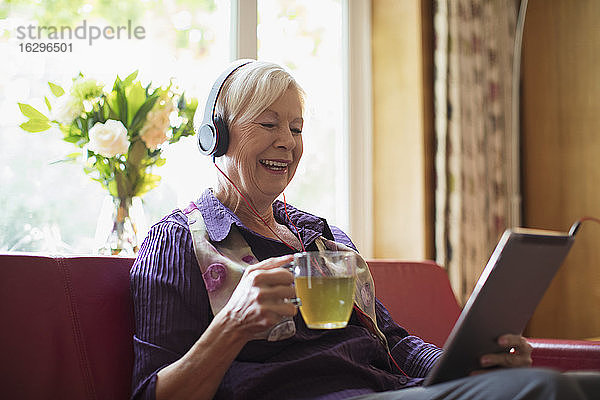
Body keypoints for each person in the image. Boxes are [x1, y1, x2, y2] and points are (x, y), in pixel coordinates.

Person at [130, 60, 599, 400]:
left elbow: (392, 341)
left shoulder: (323, 238)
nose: (287, 143)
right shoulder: (177, 240)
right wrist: (232, 324)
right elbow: (153, 394)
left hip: (388, 390)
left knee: (581, 385)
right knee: (543, 391)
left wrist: (469, 363)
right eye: (268, 123)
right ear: (217, 135)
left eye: (296, 128)